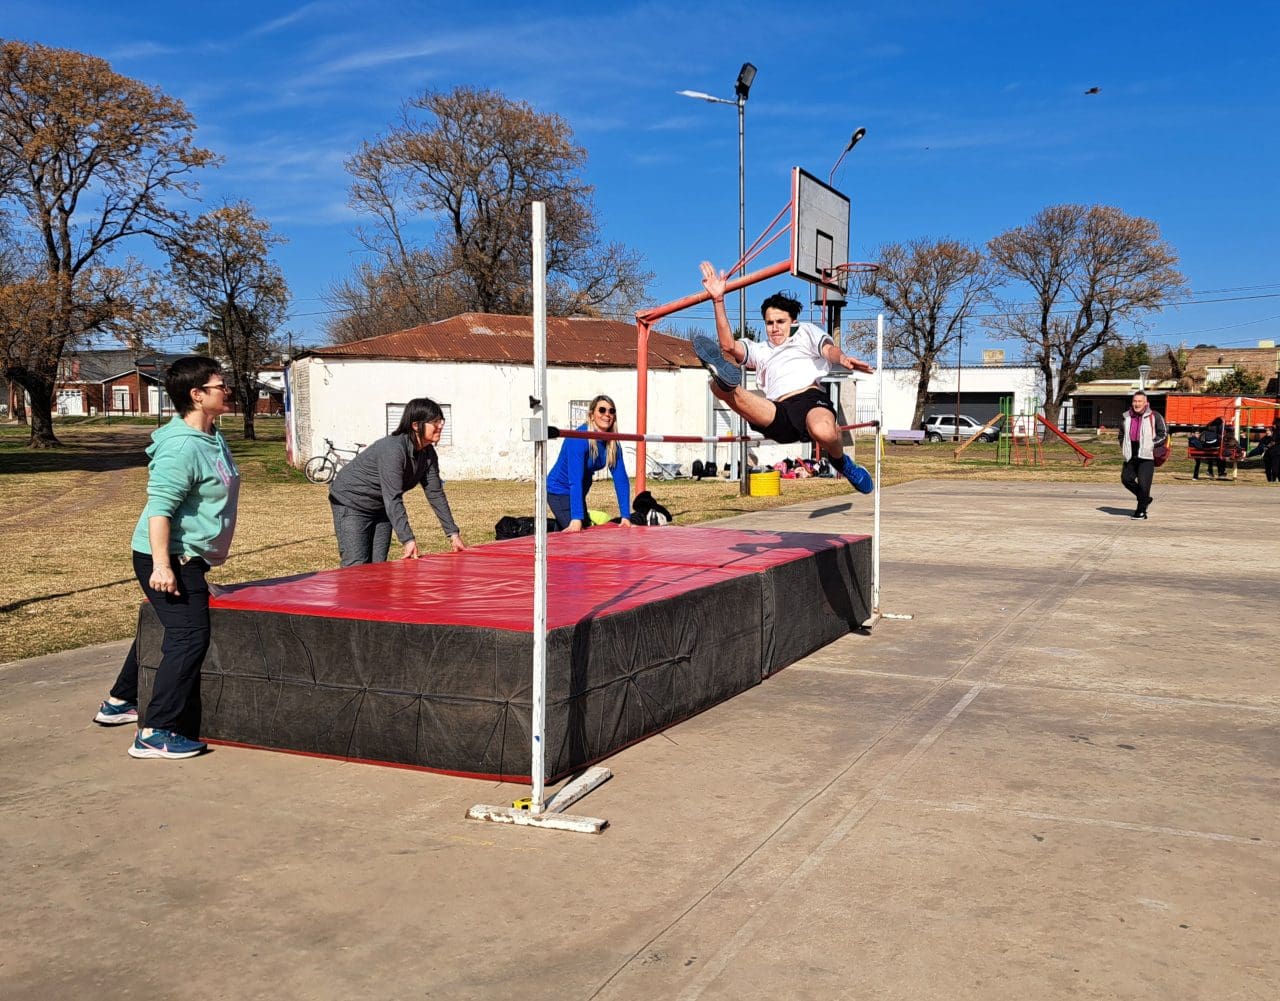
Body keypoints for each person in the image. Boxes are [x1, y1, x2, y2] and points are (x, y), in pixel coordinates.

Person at [93, 357, 240, 760]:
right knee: (189, 635)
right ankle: (156, 731)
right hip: (169, 556)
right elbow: (160, 510)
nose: (226, 390)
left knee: (167, 623)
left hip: (190, 558)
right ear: (196, 395)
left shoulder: (212, 436)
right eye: (219, 385)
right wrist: (163, 566)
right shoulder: (180, 446)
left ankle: (121, 701)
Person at [694, 262, 875, 494]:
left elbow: (828, 349)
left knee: (825, 432)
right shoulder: (759, 350)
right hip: (777, 410)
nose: (775, 328)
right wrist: (717, 300)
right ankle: (724, 379)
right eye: (769, 323)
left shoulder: (806, 333)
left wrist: (843, 358)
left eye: (780, 322)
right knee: (718, 388)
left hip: (810, 399)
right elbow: (728, 345)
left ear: (793, 322)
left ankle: (841, 463)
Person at [328, 398, 465, 566]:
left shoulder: (427, 454)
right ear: (416, 425)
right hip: (351, 502)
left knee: (378, 565)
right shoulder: (393, 450)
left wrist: (453, 533)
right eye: (435, 422)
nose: (440, 426)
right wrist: (408, 539)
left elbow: (435, 493)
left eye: (441, 421)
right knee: (356, 565)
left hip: (382, 506)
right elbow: (393, 497)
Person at [547, 394, 633, 531]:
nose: (607, 414)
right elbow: (574, 480)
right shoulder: (579, 439)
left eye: (612, 411)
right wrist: (576, 518)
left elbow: (621, 480)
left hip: (579, 491)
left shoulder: (613, 444)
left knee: (574, 532)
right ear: (592, 415)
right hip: (560, 490)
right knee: (577, 533)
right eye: (602, 410)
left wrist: (626, 517)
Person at [1118, 391, 1168, 520]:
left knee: (1144, 484)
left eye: (1140, 401)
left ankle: (1141, 511)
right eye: (1135, 401)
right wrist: (1124, 445)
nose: (1137, 404)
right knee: (1126, 479)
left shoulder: (1155, 416)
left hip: (1147, 454)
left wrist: (1151, 444)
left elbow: (1163, 434)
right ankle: (1145, 499)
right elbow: (1121, 434)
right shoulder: (1126, 417)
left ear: (1146, 403)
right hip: (1131, 453)